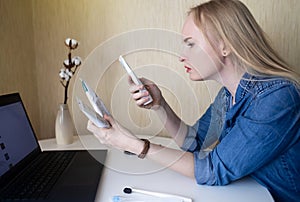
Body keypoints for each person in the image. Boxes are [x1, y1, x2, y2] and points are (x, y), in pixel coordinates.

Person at [87, 0, 300, 201]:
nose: (182, 56)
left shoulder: (276, 98)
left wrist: (135, 145)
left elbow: (212, 170)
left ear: (225, 46)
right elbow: (194, 142)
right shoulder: (228, 95)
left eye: (190, 44)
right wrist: (160, 105)